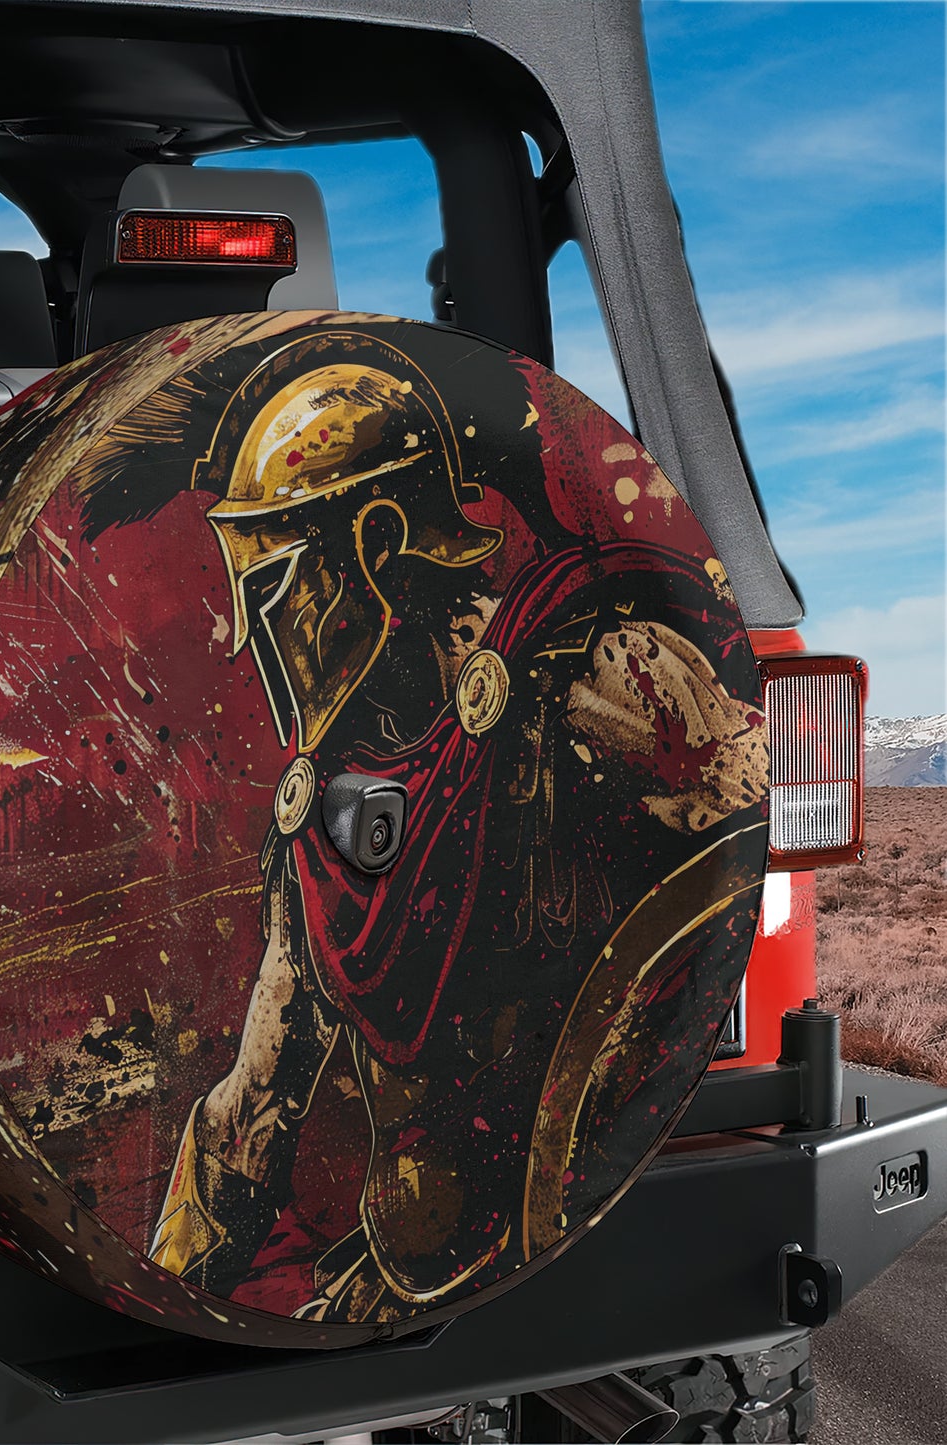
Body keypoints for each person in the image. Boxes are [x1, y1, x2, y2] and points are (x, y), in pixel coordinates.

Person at [146, 330, 768, 1323]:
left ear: (376, 544)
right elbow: (249, 1108)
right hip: (415, 1272)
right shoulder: (321, 829)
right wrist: (150, 1300)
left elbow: (730, 873)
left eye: (269, 587)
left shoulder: (600, 674)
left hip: (597, 1234)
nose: (248, 632)